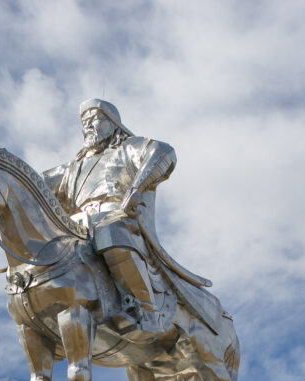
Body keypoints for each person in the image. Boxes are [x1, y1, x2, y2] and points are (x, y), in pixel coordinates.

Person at [43, 99, 210, 336]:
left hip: (115, 215)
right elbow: (33, 183)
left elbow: (163, 152)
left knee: (109, 231)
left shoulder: (127, 148)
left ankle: (145, 308)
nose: (89, 126)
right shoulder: (73, 168)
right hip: (77, 224)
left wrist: (136, 188)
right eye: (85, 122)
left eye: (96, 119)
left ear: (112, 123)